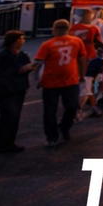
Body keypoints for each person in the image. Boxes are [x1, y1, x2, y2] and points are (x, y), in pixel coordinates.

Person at [31, 19, 86, 148]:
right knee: (66, 108)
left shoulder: (49, 44)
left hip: (61, 81)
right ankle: (57, 132)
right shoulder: (72, 42)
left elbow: (38, 63)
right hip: (60, 81)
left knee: (56, 110)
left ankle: (56, 133)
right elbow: (82, 58)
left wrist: (37, 80)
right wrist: (82, 74)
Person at [0, 30, 30, 154]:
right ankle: (2, 145)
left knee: (14, 117)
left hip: (18, 89)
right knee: (8, 116)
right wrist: (19, 70)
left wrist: (28, 69)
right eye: (21, 38)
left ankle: (10, 143)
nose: (23, 41)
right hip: (6, 90)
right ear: (15, 41)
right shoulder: (1, 57)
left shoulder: (22, 55)